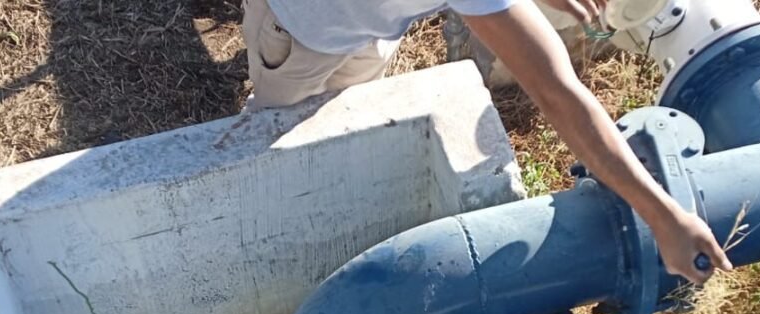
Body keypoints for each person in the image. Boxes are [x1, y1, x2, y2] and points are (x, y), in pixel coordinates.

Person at [239, 0, 733, 285]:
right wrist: (664, 217)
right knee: (281, 139)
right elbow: (559, 95)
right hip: (299, 30)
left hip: (368, 21)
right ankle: (269, 237)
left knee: (347, 110)